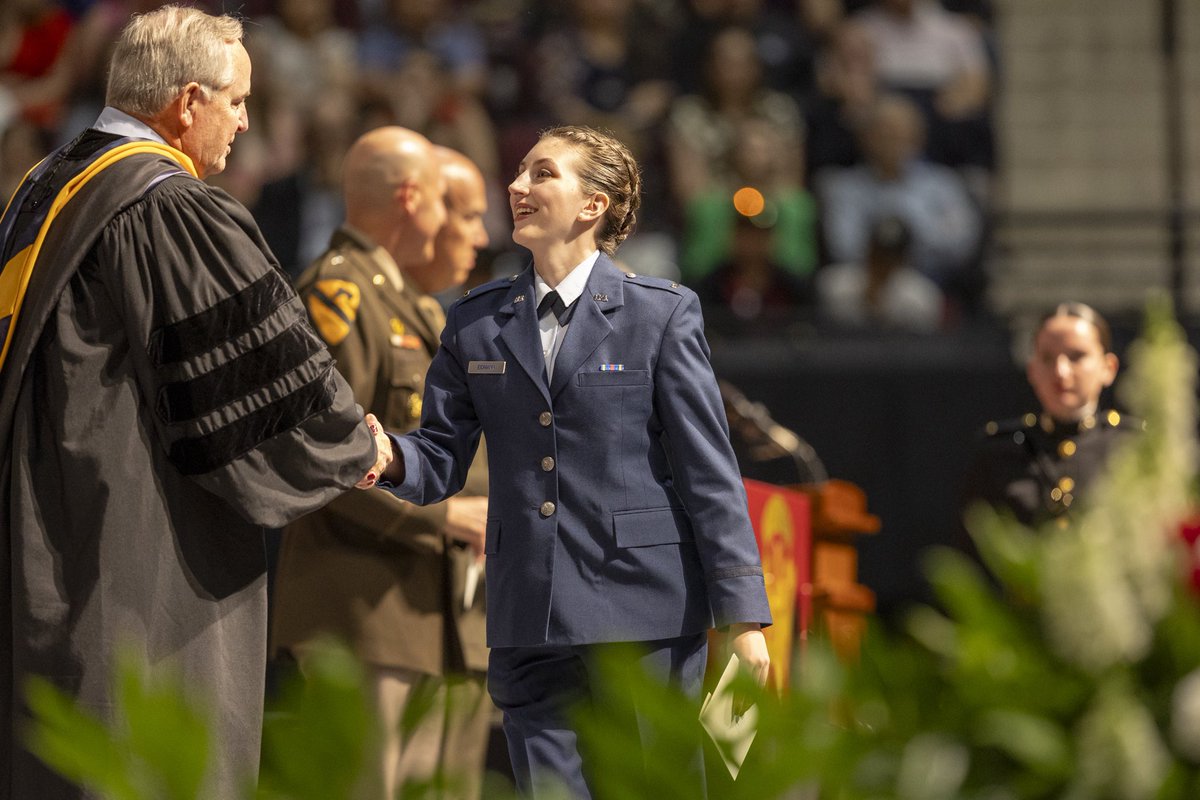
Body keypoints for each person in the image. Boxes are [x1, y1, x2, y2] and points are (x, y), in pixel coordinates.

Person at [0, 8, 391, 799]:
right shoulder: (166, 205)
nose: (246, 121)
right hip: (128, 553)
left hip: (41, 530)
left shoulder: (46, 184)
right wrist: (355, 445)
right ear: (187, 102)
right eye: (238, 101)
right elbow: (250, 379)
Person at [377, 124, 772, 798]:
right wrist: (380, 455)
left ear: (594, 204)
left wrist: (745, 619)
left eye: (542, 173)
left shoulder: (661, 315)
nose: (517, 186)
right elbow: (438, 460)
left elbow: (709, 474)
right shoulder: (472, 321)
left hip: (645, 615)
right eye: (521, 172)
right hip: (529, 615)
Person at [271, 132, 495, 800]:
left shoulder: (414, 306)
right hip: (361, 606)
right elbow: (317, 451)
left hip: (428, 610)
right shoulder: (339, 294)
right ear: (412, 198)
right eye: (457, 208)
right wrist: (446, 515)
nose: (477, 234)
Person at [962, 302, 1139, 529]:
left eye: (1077, 356)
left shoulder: (1132, 447)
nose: (1061, 371)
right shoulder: (998, 451)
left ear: (1108, 367)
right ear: (1032, 370)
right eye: (1047, 358)